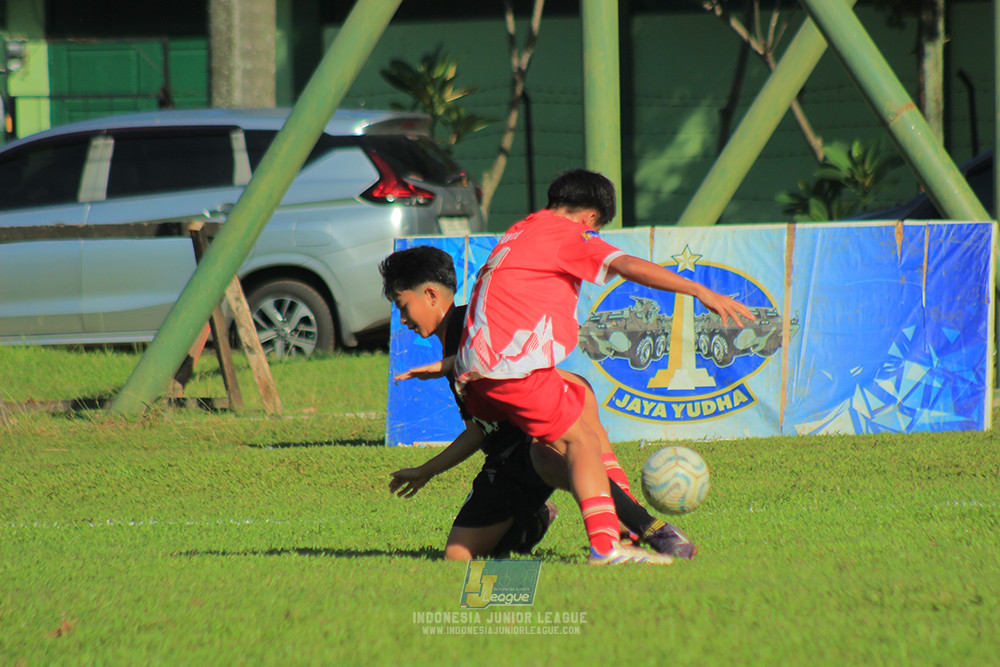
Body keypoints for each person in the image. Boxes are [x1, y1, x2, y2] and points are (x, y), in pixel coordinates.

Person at [454, 169, 754, 565]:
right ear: (591, 218)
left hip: (476, 373)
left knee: (578, 397)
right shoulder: (570, 234)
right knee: (580, 443)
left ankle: (626, 526)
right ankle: (606, 546)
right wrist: (700, 289)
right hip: (511, 368)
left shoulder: (522, 229)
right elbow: (628, 265)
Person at [379, 245, 693, 563]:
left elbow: (521, 362)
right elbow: (477, 431)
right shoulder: (451, 341)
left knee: (552, 455)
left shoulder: (472, 324)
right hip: (502, 464)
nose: (403, 319)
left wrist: (447, 366)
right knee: (459, 557)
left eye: (403, 306)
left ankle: (649, 528)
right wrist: (426, 471)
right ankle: (534, 518)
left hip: (532, 442)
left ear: (430, 294)